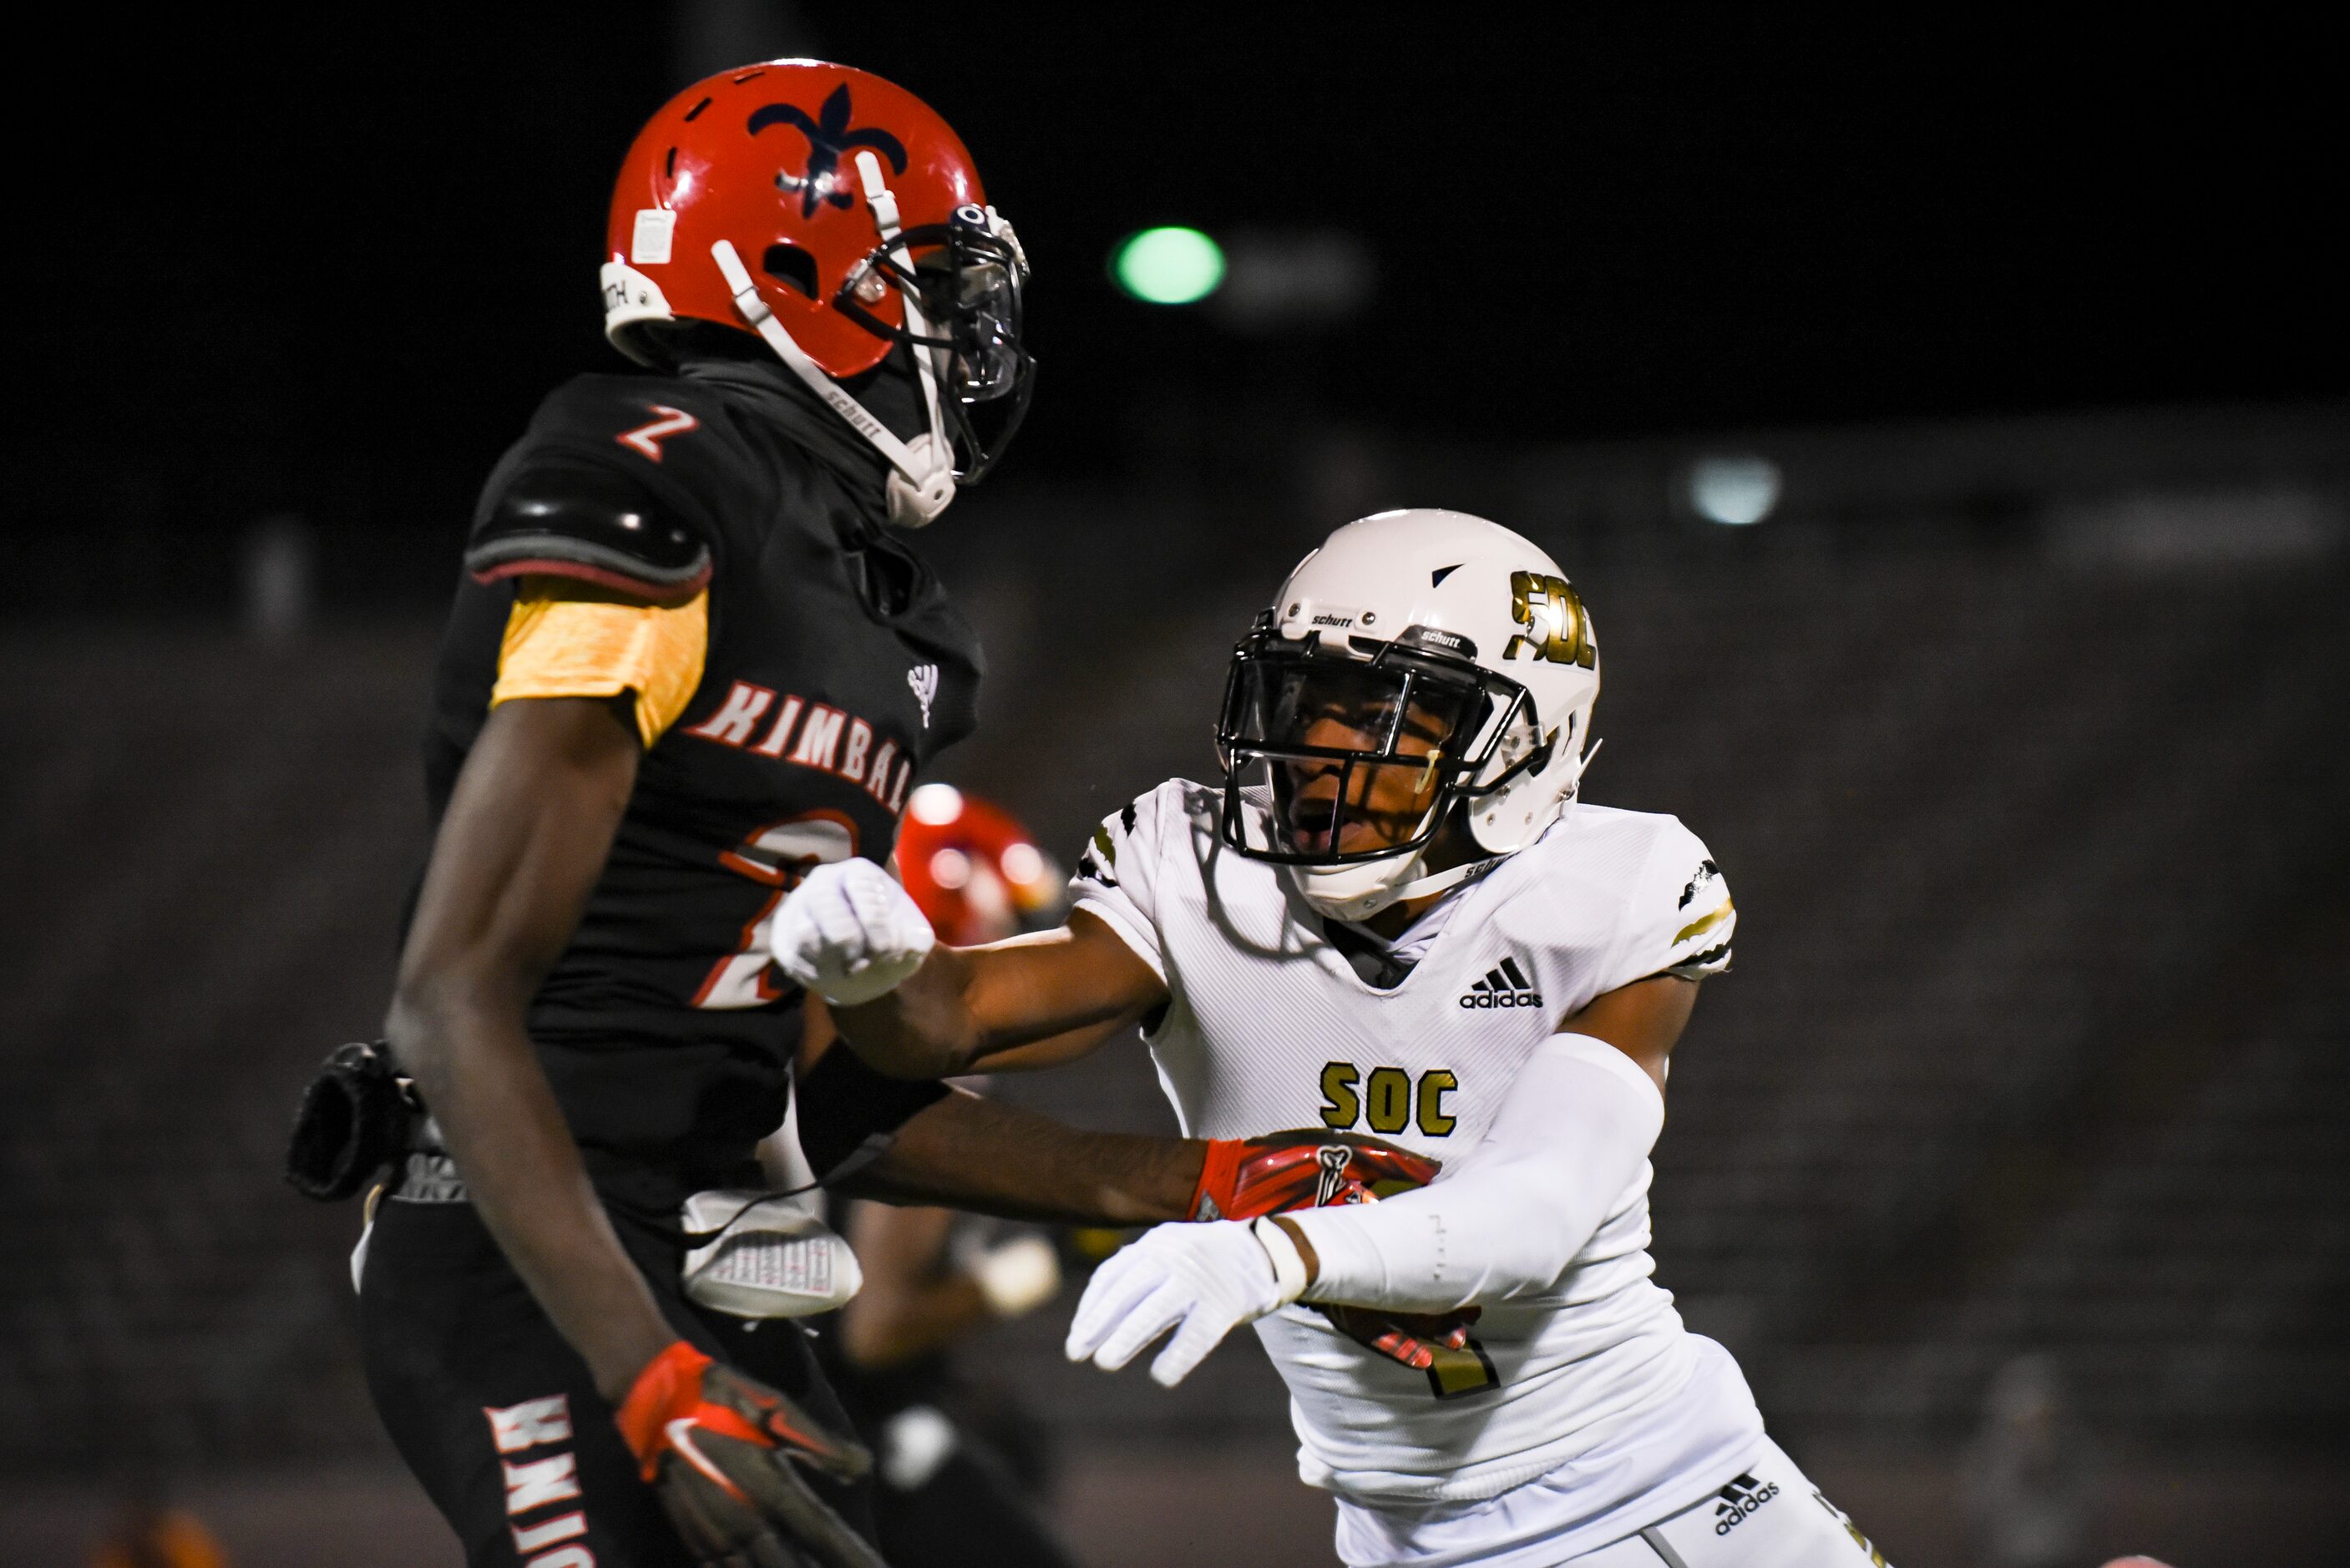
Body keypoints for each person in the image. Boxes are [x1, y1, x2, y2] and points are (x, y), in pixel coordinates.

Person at [357, 58, 1236, 1568]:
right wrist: (643, 1372)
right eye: (932, 286)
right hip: (525, 1248)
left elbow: (822, 1093)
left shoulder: (894, 622)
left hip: (702, 1252)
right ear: (790, 268)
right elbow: (450, 1002)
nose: (967, 337)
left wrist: (1179, 1180)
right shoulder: (647, 471)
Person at [774, 509, 1901, 1565]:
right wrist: (876, 972)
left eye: (1381, 711)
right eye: (1305, 698)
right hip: (1387, 1524)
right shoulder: (1194, 866)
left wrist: (1272, 1249)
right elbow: (947, 1025)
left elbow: (1535, 1211)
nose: (1320, 745)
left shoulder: (1609, 889)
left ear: (1521, 739)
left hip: (1646, 1493)